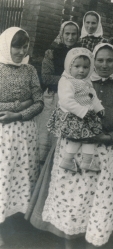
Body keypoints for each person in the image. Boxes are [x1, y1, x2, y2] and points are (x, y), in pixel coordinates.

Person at [25, 43, 113, 249]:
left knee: (95, 205)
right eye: (99, 60)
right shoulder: (76, 81)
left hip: (103, 152)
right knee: (71, 203)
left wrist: (106, 138)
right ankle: (67, 242)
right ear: (93, 61)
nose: (103, 64)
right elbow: (63, 112)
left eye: (109, 60)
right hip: (73, 148)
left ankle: (91, 241)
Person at [0, 27, 43, 245]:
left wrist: (18, 113)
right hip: (2, 135)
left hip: (25, 134)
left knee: (21, 177)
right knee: (3, 177)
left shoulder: (30, 70)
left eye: (24, 47)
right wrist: (20, 103)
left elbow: (39, 102)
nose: (20, 51)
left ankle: (16, 226)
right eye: (16, 46)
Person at [47, 47, 104, 172]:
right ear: (69, 66)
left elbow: (92, 96)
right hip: (73, 116)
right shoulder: (66, 81)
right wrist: (82, 111)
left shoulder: (87, 82)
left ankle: (87, 161)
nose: (81, 71)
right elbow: (66, 101)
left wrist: (99, 108)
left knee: (89, 137)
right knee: (77, 137)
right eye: (77, 66)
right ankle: (67, 160)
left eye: (85, 67)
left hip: (86, 115)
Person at [37, 21, 80, 162]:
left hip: (73, 99)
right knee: (46, 135)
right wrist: (70, 79)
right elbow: (47, 78)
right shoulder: (51, 53)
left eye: (74, 34)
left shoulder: (82, 53)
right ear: (61, 34)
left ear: (78, 35)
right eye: (67, 33)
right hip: (53, 97)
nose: (70, 37)